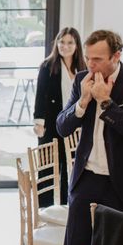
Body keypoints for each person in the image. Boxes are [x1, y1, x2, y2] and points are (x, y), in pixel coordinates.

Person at [47, 30, 123, 245]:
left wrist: (106, 103)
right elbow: (61, 126)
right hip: (86, 178)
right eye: (89, 57)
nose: (91, 63)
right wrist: (82, 101)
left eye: (98, 58)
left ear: (116, 57)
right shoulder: (83, 77)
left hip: (121, 183)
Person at [33, 27, 85, 206]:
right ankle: (44, 209)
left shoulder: (82, 68)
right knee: (48, 167)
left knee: (70, 168)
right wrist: (39, 122)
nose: (65, 46)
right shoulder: (48, 66)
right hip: (51, 124)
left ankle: (65, 206)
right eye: (62, 42)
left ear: (77, 45)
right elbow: (40, 95)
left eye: (70, 42)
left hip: (75, 125)